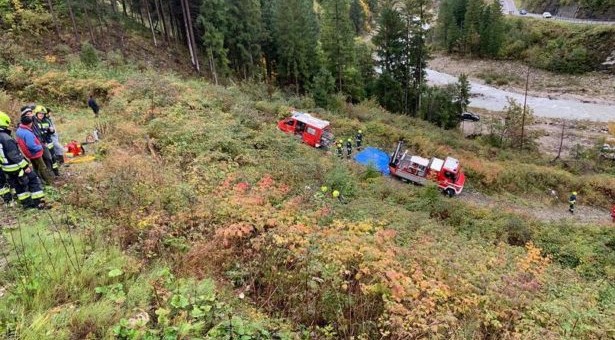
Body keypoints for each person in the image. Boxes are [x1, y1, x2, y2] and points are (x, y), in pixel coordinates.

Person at [0, 111, 48, 209]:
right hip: (16, 166)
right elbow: (14, 155)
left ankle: (26, 204)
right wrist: (25, 166)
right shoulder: (6, 138)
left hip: (6, 167)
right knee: (33, 179)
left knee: (18, 185)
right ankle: (38, 202)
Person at [16, 113, 53, 185]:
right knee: (43, 167)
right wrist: (40, 147)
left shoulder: (19, 130)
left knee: (35, 167)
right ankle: (49, 183)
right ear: (29, 124)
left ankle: (39, 181)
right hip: (35, 153)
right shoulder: (27, 133)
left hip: (28, 153)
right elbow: (32, 146)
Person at [34, 106, 60, 176]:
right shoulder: (34, 122)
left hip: (49, 142)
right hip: (41, 144)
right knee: (46, 159)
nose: (41, 115)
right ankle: (48, 173)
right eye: (39, 113)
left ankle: (56, 172)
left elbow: (51, 132)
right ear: (36, 113)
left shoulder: (47, 121)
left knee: (53, 157)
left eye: (42, 113)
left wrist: (51, 130)